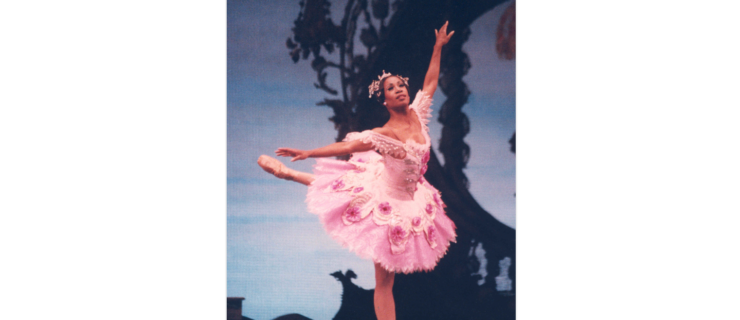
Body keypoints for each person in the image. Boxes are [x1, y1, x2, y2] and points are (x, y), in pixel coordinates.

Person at [258, 22, 456, 320]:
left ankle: (288, 175)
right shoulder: (384, 133)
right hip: (386, 201)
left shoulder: (418, 113)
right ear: (384, 100)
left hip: (413, 198)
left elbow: (429, 82)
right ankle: (288, 174)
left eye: (401, 85)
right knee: (383, 280)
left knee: (344, 187)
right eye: (392, 88)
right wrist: (309, 152)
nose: (400, 90)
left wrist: (437, 48)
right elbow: (344, 148)